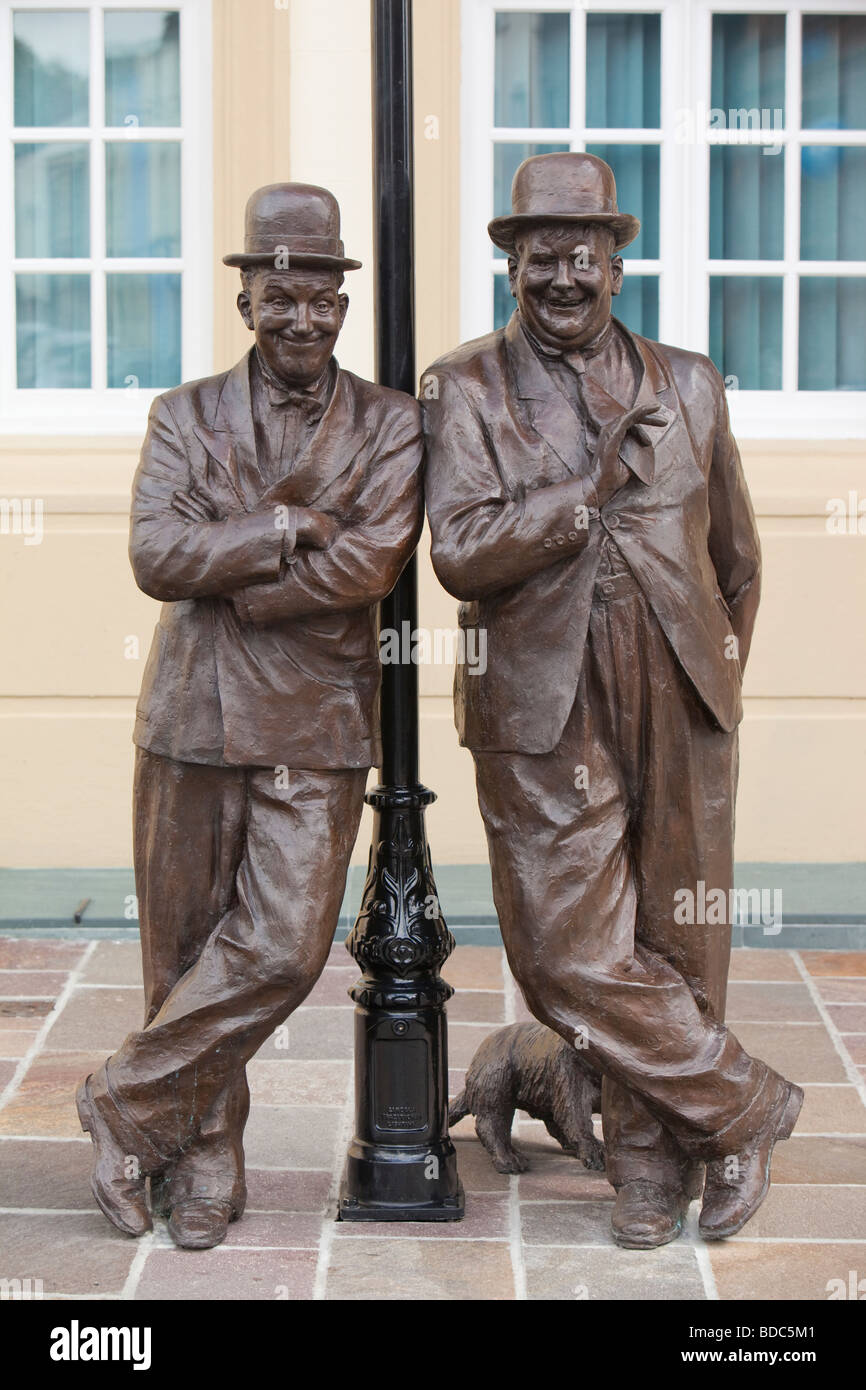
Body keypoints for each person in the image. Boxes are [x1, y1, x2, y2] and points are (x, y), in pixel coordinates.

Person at [421, 152, 802, 1249]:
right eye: (538, 257)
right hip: (541, 696)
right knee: (563, 949)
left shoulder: (688, 381)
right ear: (509, 264)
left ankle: (647, 1163)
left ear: (616, 263)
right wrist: (583, 496)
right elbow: (458, 551)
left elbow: (733, 553)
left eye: (580, 256)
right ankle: (742, 1109)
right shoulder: (465, 388)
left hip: (676, 684)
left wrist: (711, 669)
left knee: (680, 930)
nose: (560, 277)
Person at [76, 183, 423, 1250]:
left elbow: (372, 561)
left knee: (279, 946)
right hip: (188, 716)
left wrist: (240, 569)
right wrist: (285, 524)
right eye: (282, 296)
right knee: (182, 954)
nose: (303, 319)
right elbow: (154, 556)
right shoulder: (181, 415)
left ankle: (123, 1097)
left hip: (312, 722)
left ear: (342, 305)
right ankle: (203, 1153)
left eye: (322, 299)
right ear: (246, 299)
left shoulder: (391, 422)